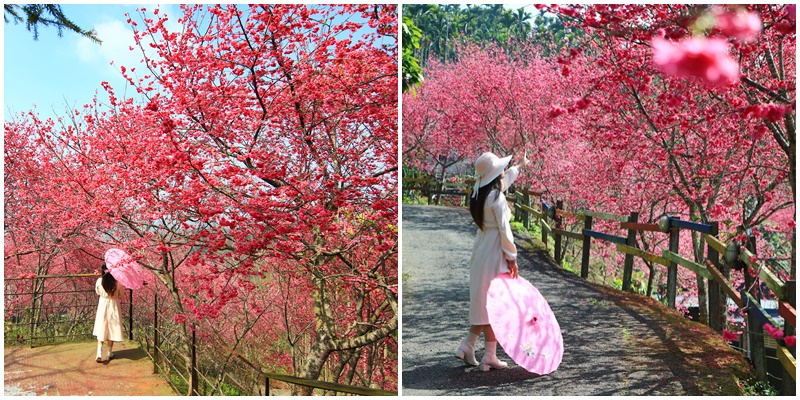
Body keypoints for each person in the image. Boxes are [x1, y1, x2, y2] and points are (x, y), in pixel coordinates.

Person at [455, 151, 528, 371]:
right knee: (496, 304)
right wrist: (512, 257)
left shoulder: (479, 193)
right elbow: (505, 231)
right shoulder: (497, 197)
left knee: (484, 302)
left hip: (480, 251)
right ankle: (486, 354)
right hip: (495, 252)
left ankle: (471, 347)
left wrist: (520, 166)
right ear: (495, 173)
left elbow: (505, 181)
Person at [93, 264, 124, 362]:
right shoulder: (117, 282)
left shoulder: (99, 281)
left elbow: (97, 292)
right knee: (112, 327)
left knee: (102, 326)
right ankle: (109, 353)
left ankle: (99, 352)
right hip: (114, 304)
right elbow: (121, 294)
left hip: (103, 304)